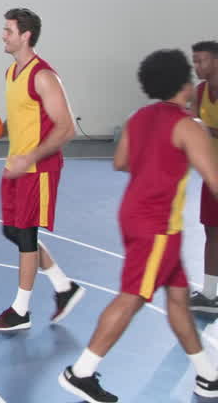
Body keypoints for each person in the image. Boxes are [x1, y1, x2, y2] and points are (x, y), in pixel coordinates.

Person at [59, 49, 218, 402]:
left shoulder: (138, 117)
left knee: (177, 300)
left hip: (138, 217)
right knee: (132, 296)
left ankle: (208, 376)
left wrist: (157, 164)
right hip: (157, 226)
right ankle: (81, 372)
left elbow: (121, 162)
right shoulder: (189, 127)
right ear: (184, 84)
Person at [0, 8, 84, 332]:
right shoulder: (11, 74)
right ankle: (63, 287)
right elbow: (18, 120)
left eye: (8, 30)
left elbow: (66, 128)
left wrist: (30, 158)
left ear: (25, 35)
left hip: (37, 169)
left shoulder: (43, 76)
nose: (4, 35)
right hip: (15, 167)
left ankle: (21, 311)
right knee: (12, 231)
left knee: (26, 234)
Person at [190, 40, 218, 313]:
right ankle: (210, 295)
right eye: (194, 61)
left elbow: (204, 129)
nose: (197, 66)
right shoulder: (200, 92)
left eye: (201, 60)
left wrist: (206, 130)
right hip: (213, 174)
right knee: (211, 231)